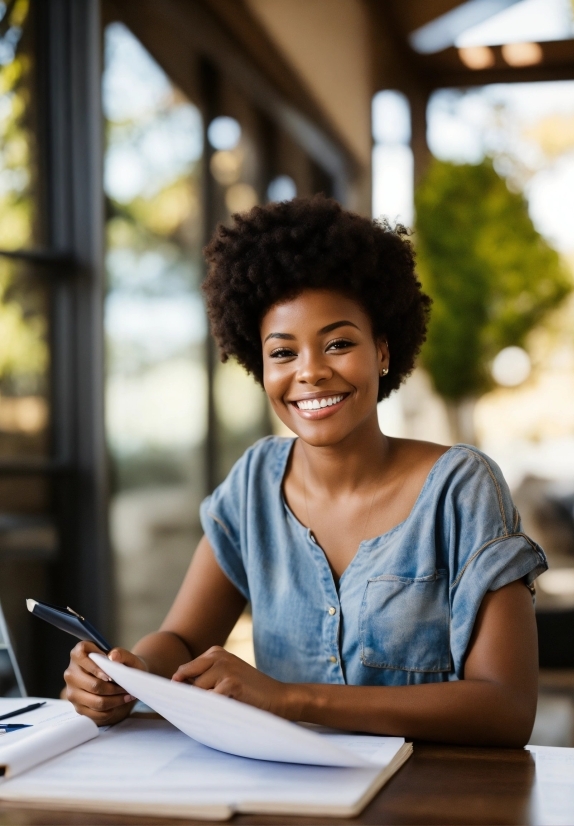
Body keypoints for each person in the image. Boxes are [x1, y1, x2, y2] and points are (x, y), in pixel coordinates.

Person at [64, 196, 547, 747]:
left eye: (338, 343)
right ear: (259, 363)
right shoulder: (254, 484)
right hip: (288, 791)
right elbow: (181, 636)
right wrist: (126, 676)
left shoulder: (462, 489)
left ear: (382, 351)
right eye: (283, 352)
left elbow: (506, 708)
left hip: (432, 795)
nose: (311, 373)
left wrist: (289, 698)